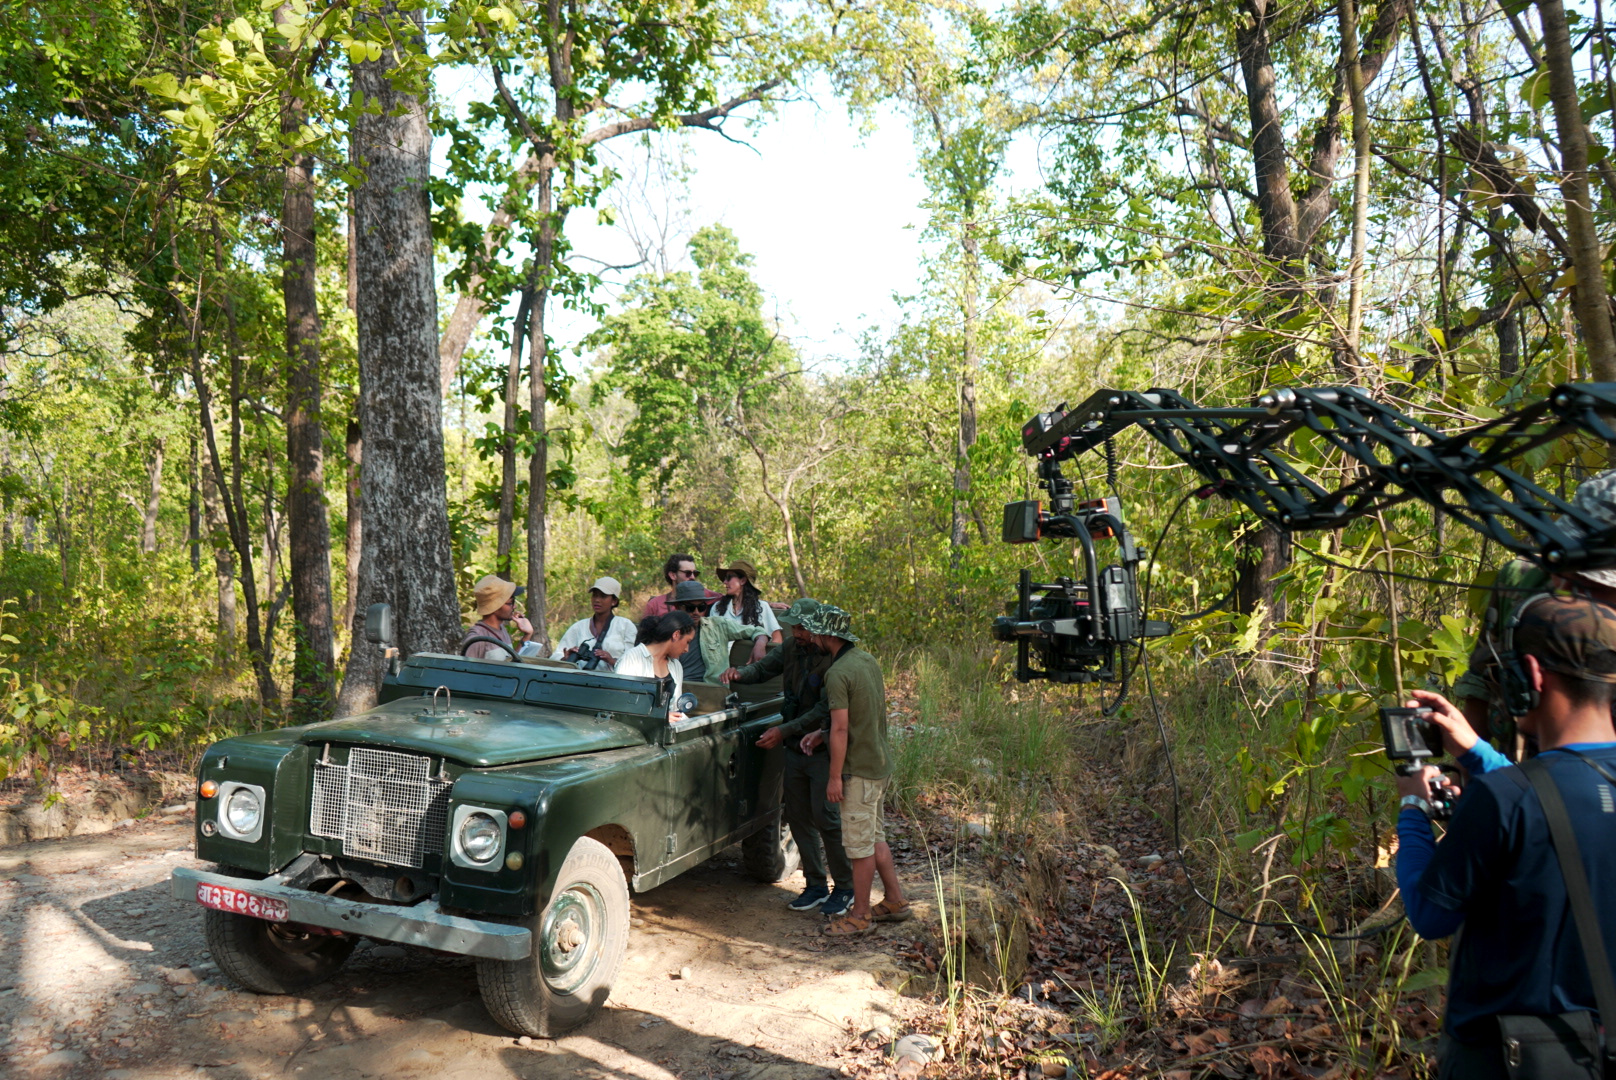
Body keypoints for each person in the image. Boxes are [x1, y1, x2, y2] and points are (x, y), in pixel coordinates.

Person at [1396, 594, 1616, 1078]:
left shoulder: (1503, 801)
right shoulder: (1513, 795)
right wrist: (1476, 752)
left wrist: (1412, 805)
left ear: (1531, 675)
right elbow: (1557, 794)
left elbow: (1429, 914)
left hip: (1507, 1057)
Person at [1454, 469, 1616, 747]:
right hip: (1514, 774)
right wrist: (1464, 768)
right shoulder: (1521, 580)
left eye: (1588, 582)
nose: (1564, 588)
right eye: (1561, 567)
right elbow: (1482, 681)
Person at [721, 598, 854, 915]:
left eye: (802, 627)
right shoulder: (793, 647)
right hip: (794, 747)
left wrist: (783, 730)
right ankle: (816, 885)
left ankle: (845, 888)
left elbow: (825, 710)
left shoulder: (833, 659)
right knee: (798, 816)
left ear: (817, 628)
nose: (797, 632)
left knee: (827, 819)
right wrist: (740, 673)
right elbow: (764, 668)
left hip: (821, 745)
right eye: (794, 626)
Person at [795, 605, 909, 936]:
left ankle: (859, 916)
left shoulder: (837, 673)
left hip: (857, 771)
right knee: (874, 838)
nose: (812, 637)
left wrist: (834, 777)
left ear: (827, 635)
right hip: (878, 763)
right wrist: (822, 732)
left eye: (815, 632)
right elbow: (859, 714)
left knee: (858, 848)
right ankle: (895, 901)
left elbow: (842, 730)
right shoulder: (866, 660)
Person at [665, 579, 768, 685]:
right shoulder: (668, 629)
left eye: (701, 607)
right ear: (678, 607)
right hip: (679, 687)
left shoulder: (718, 625)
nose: (696, 612)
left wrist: (760, 644)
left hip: (712, 690)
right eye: (690, 608)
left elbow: (757, 630)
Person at [616, 611, 696, 719]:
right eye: (687, 642)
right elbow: (621, 704)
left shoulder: (676, 665)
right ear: (676, 635)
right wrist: (660, 717)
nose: (687, 649)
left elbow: (675, 709)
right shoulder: (632, 659)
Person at [550, 577, 637, 669]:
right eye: (595, 595)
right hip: (579, 679)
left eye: (603, 596)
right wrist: (565, 658)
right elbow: (555, 656)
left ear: (614, 601)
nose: (597, 600)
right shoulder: (578, 627)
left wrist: (612, 660)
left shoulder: (625, 626)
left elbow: (632, 662)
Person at [459, 575, 533, 661]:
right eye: (511, 602)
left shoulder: (502, 629)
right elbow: (465, 671)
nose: (514, 606)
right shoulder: (477, 639)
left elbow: (511, 663)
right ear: (494, 607)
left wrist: (527, 635)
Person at [711, 560, 783, 646]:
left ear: (743, 581)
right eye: (725, 578)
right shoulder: (717, 608)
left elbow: (777, 640)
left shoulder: (761, 607)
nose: (725, 582)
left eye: (729, 577)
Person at [643, 553, 713, 619]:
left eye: (695, 573)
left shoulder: (706, 594)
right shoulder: (655, 604)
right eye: (688, 573)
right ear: (673, 575)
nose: (692, 577)